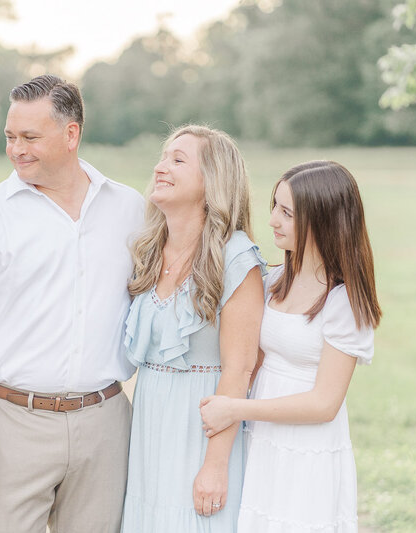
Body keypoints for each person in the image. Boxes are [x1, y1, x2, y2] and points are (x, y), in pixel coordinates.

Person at [0, 74, 145, 533]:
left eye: (30, 137)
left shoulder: (130, 209)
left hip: (106, 423)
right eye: (11, 137)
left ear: (71, 134)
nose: (17, 149)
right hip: (11, 425)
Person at [199, 160, 382, 532]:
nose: (272, 220)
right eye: (275, 207)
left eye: (287, 213)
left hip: (306, 447)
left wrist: (235, 409)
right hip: (263, 436)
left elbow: (324, 404)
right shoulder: (274, 280)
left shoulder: (344, 301)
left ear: (323, 221)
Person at [121, 125, 266, 533]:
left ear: (211, 182)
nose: (160, 167)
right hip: (150, 424)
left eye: (177, 160)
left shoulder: (235, 257)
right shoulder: (148, 250)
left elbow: (239, 371)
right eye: (163, 157)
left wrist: (215, 465)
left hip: (202, 428)